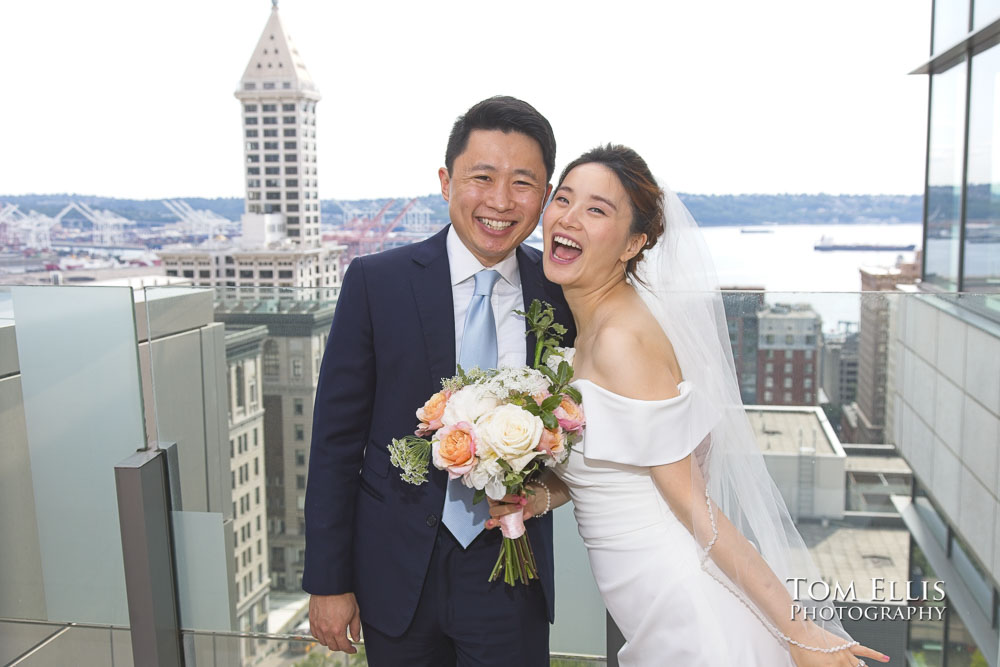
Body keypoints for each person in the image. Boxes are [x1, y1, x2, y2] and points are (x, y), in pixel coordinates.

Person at [489, 145, 890, 666]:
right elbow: (617, 465)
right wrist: (539, 496)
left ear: (634, 243)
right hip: (651, 606)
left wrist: (799, 633)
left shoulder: (620, 341)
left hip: (685, 613)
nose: (568, 217)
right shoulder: (587, 331)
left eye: (597, 209)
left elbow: (699, 511)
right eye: (563, 199)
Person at [302, 96, 575, 666]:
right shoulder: (377, 282)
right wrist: (328, 580)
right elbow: (334, 442)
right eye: (482, 177)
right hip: (395, 570)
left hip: (511, 570)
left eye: (523, 183)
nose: (500, 202)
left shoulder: (560, 295)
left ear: (545, 197)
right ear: (447, 181)